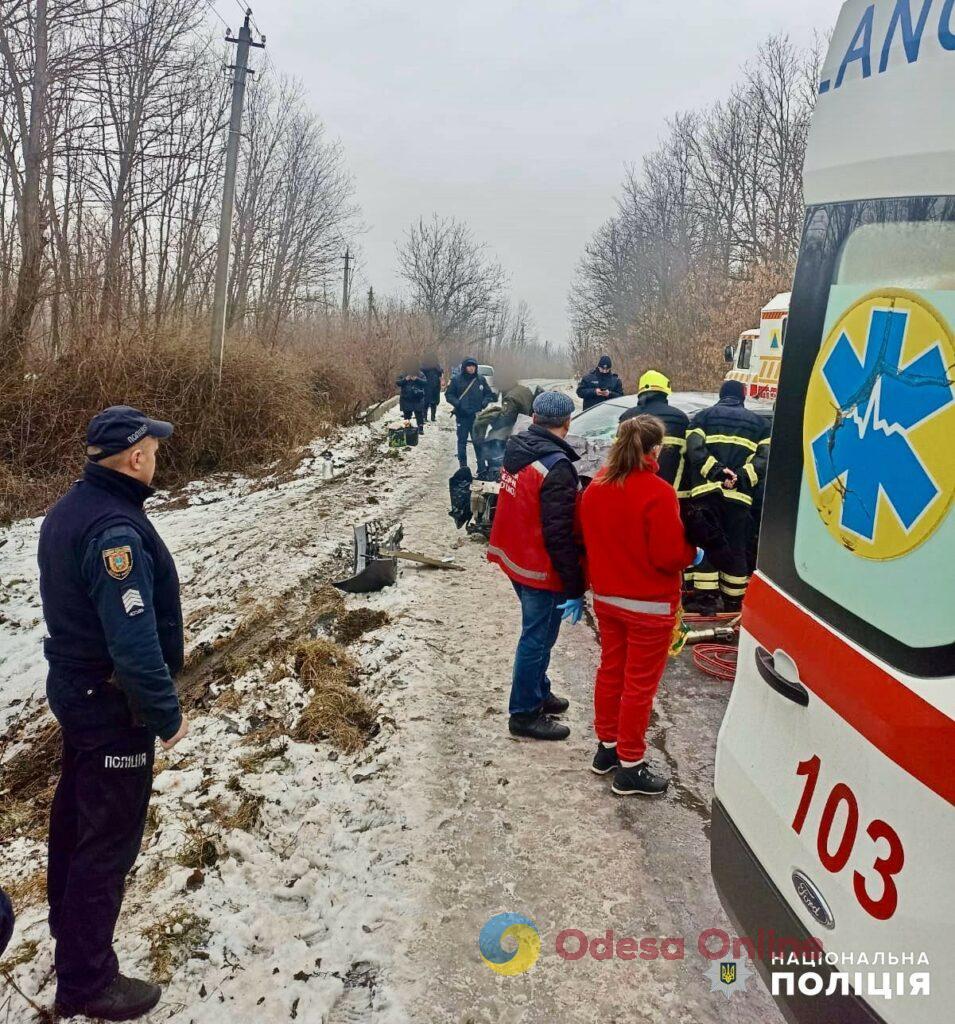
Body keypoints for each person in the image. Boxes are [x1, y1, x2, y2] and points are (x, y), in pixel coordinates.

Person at [37, 406, 189, 1021]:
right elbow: (133, 645)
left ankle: (68, 931)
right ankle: (86, 980)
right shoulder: (115, 532)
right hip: (110, 706)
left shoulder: (72, 506)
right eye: (154, 448)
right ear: (134, 457)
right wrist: (163, 714)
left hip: (77, 693)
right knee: (107, 839)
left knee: (76, 819)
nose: (157, 456)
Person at [579, 414, 698, 796]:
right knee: (639, 687)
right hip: (649, 605)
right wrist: (692, 551)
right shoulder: (658, 492)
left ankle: (607, 749)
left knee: (611, 672)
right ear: (655, 449)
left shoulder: (596, 487)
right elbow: (668, 556)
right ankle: (630, 764)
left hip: (608, 600)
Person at [487, 391, 585, 741]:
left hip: (515, 555)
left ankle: (538, 690)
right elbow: (559, 533)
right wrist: (575, 585)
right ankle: (524, 713)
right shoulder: (555, 466)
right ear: (567, 422)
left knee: (539, 633)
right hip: (539, 566)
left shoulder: (519, 449)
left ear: (534, 418)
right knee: (537, 638)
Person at [683, 379, 771, 612]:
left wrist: (717, 472)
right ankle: (733, 602)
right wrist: (740, 477)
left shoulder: (703, 417)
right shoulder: (761, 425)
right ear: (742, 397)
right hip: (739, 498)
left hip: (706, 494)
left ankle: (706, 601)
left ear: (721, 396)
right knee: (736, 547)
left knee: (707, 545)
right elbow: (764, 459)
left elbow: (694, 449)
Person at [619, 370, 689, 492]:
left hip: (631, 492)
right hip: (672, 494)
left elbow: (616, 455)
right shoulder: (680, 418)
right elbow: (689, 456)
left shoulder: (626, 418)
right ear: (665, 393)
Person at [472, 375, 535, 479]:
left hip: (515, 431)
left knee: (492, 440)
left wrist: (492, 419)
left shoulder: (510, 397)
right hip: (526, 426)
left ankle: (495, 474)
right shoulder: (524, 390)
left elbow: (505, 420)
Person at [444, 357, 495, 469]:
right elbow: (449, 395)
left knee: (478, 442)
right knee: (462, 442)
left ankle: (481, 468)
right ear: (464, 367)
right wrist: (458, 404)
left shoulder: (480, 379)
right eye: (469, 366)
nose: (471, 368)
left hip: (476, 416)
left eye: (473, 366)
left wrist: (484, 403)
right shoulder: (457, 380)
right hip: (462, 416)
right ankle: (463, 467)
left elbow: (488, 394)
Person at [396, 362, 428, 434]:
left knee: (419, 414)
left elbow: (425, 382)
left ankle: (420, 428)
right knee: (407, 415)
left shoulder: (420, 374)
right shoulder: (403, 373)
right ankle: (407, 428)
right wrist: (405, 379)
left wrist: (417, 379)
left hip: (418, 398)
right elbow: (398, 382)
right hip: (406, 398)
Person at [420, 354, 444, 422]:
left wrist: (442, 381)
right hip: (426, 386)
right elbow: (421, 371)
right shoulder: (424, 365)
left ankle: (433, 417)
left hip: (435, 386)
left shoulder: (437, 365)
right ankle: (424, 417)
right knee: (426, 402)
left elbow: (441, 373)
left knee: (434, 402)